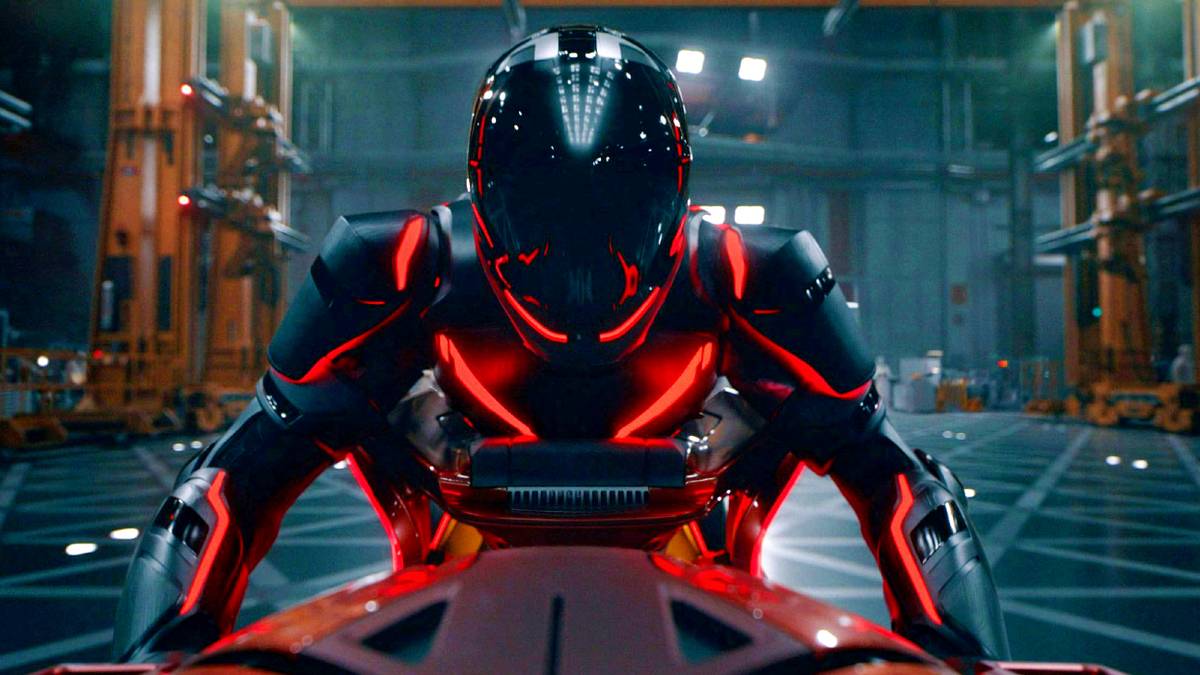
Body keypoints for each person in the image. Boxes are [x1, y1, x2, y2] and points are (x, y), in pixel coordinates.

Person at [114, 26, 1008, 661]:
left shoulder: (748, 275)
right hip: (527, 575)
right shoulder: (402, 266)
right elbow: (231, 482)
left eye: (611, 212)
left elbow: (899, 481)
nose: (583, 263)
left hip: (663, 573)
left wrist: (159, 655)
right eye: (550, 211)